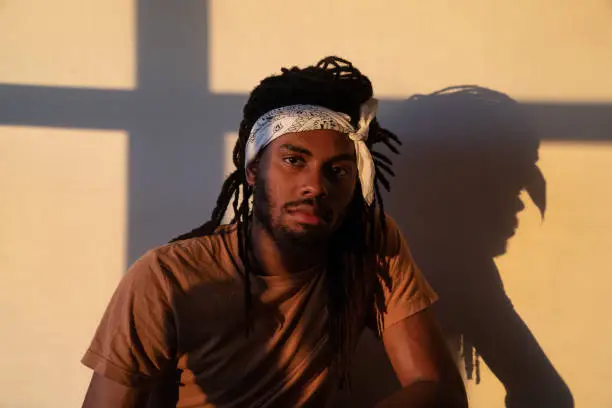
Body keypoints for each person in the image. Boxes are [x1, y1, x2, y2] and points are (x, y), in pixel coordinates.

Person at [81, 57, 467, 408]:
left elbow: (438, 389)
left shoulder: (368, 244)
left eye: (339, 170)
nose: (315, 186)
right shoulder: (167, 277)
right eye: (294, 160)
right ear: (253, 170)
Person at [340, 86, 572, 408]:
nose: (521, 204)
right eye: (509, 185)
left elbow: (545, 394)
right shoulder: (452, 269)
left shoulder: (462, 270)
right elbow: (545, 394)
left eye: (522, 183)